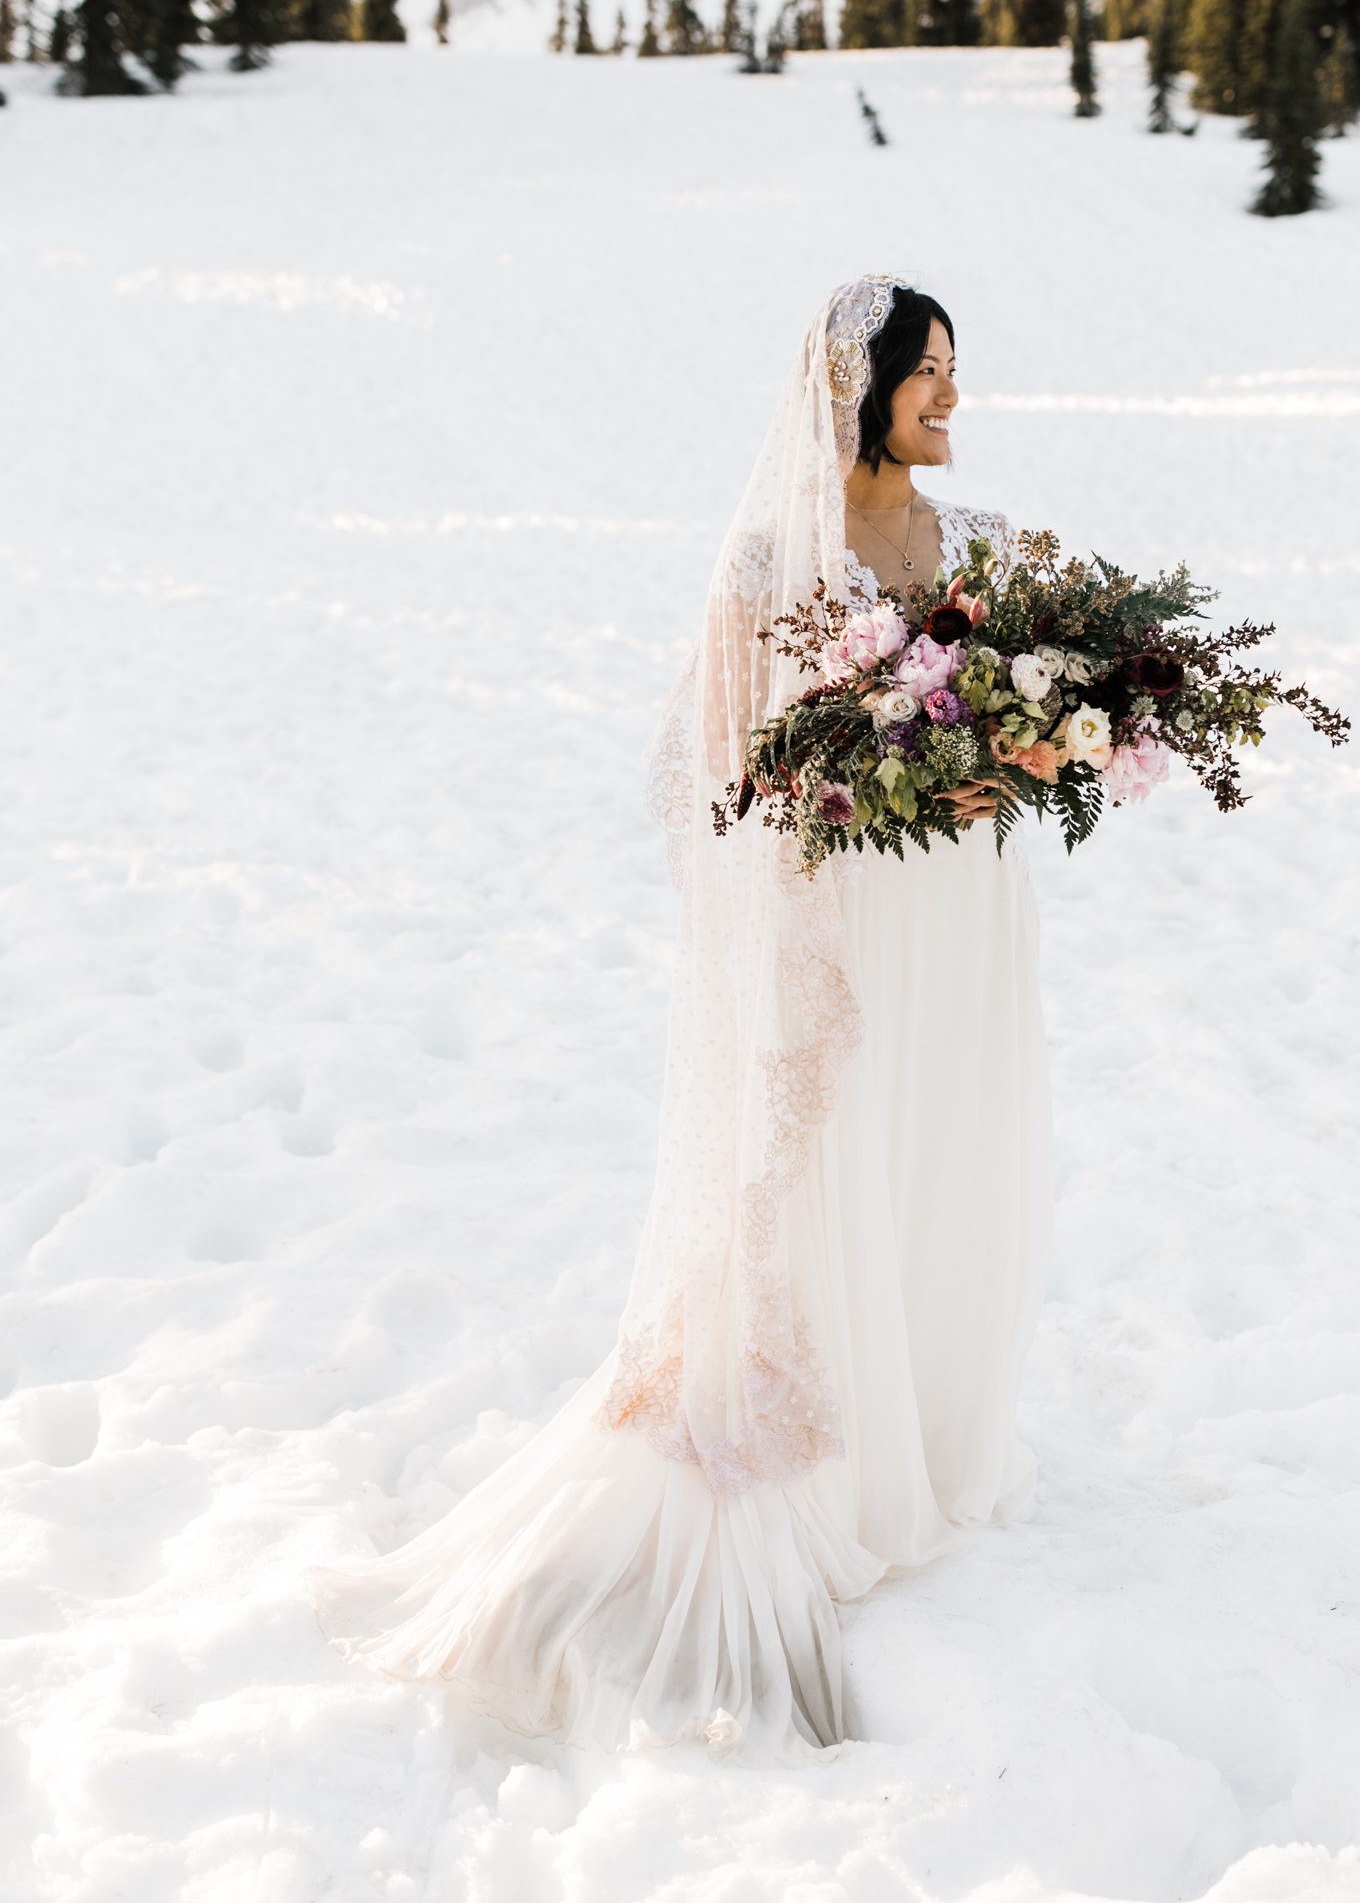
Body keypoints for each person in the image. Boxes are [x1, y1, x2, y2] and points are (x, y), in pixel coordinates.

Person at [309, 275, 1052, 1761]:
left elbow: (1032, 718)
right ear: (864, 389)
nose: (954, 399)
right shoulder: (779, 554)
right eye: (932, 374)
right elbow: (718, 768)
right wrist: (873, 786)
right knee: (827, 1167)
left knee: (940, 1145)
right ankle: (823, 1448)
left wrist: (1018, 762)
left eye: (959, 372)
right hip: (848, 917)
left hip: (966, 916)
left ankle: (922, 1417)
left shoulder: (984, 545)